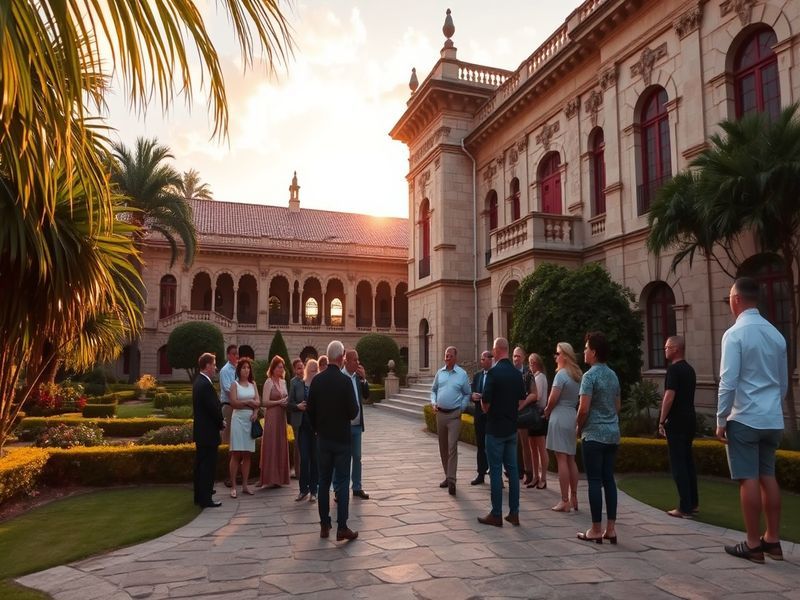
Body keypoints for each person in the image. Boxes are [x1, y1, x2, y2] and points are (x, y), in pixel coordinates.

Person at [717, 277, 787, 563]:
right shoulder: (776, 335)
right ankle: (773, 539)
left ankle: (753, 543)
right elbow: (782, 382)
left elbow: (728, 381)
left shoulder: (734, 334)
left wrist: (721, 418)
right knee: (768, 475)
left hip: (745, 416)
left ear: (736, 299)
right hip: (772, 417)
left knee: (748, 478)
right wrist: (773, 406)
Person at [307, 340, 359, 541]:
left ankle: (324, 524)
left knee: (323, 481)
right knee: (343, 482)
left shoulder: (317, 381)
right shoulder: (345, 382)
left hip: (323, 440)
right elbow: (353, 412)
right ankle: (342, 527)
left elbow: (310, 411)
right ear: (341, 357)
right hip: (342, 440)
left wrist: (317, 430)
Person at [576, 331, 621, 544]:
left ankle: (595, 529)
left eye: (586, 348)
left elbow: (583, 408)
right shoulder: (613, 375)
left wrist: (578, 426)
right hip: (612, 434)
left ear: (593, 352)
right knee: (608, 479)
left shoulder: (589, 376)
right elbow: (617, 406)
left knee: (594, 480)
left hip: (594, 434)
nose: (584, 352)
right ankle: (610, 528)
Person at [478, 337, 525, 527]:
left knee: (496, 471)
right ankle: (514, 512)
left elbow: (485, 403)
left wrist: (488, 409)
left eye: (493, 349)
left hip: (495, 428)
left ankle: (496, 513)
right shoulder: (516, 374)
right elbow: (521, 400)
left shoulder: (493, 373)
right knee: (512, 471)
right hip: (511, 428)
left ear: (497, 350)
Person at [658, 335, 699, 519]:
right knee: (687, 461)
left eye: (667, 347)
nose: (665, 350)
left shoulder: (674, 370)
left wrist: (661, 420)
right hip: (690, 418)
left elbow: (669, 396)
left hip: (677, 420)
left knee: (678, 463)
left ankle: (685, 507)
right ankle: (693, 503)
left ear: (676, 349)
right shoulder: (690, 370)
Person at [544, 342, 582, 512]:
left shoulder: (561, 375)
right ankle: (574, 497)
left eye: (558, 353)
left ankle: (564, 500)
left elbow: (553, 399)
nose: (556, 356)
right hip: (572, 416)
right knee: (571, 458)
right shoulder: (577, 375)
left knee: (561, 459)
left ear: (565, 356)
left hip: (559, 415)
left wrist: (547, 410)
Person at [430, 346, 471, 496]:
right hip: (440, 414)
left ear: (455, 357)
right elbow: (433, 390)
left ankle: (452, 480)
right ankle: (447, 476)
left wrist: (461, 408)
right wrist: (433, 402)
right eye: (446, 355)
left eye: (450, 356)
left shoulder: (462, 374)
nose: (447, 358)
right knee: (443, 447)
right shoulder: (439, 373)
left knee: (452, 446)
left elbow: (467, 393)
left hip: (454, 415)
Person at [192, 352, 224, 508]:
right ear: (207, 366)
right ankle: (206, 499)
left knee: (201, 465)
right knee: (207, 467)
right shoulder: (205, 385)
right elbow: (213, 409)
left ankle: (200, 495)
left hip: (201, 433)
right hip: (208, 433)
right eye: (214, 364)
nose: (215, 368)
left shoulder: (198, 381)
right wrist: (221, 422)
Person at [227, 357, 260, 498]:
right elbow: (234, 403)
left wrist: (255, 412)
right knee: (236, 453)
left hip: (250, 419)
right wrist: (248, 402)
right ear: (239, 370)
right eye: (243, 368)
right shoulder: (234, 385)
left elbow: (258, 402)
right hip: (238, 419)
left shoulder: (253, 384)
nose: (246, 370)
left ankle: (245, 485)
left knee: (247, 454)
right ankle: (233, 486)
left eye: (248, 368)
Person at [340, 349, 371, 499]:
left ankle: (357, 487)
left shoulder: (358, 377)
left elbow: (366, 395)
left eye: (358, 359)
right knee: (342, 458)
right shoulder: (340, 377)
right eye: (355, 360)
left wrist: (364, 379)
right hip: (344, 426)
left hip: (357, 425)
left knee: (357, 457)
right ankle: (340, 489)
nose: (358, 362)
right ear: (346, 361)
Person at [258, 356, 290, 488]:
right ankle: (270, 478)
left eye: (282, 367)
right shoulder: (268, 382)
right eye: (279, 367)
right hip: (272, 416)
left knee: (280, 443)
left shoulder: (283, 382)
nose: (281, 369)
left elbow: (286, 397)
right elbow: (264, 402)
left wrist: (286, 402)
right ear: (273, 368)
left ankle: (280, 478)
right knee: (271, 444)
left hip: (282, 416)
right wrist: (278, 402)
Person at [295, 359, 320, 502]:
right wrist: (297, 406)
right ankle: (303, 489)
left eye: (316, 370)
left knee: (315, 459)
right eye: (312, 370)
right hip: (303, 427)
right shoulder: (299, 384)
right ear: (307, 371)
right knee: (304, 459)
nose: (314, 372)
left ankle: (314, 490)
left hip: (316, 428)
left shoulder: (320, 385)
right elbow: (290, 403)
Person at [526, 353, 549, 489]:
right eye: (529, 363)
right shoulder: (534, 377)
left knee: (541, 448)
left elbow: (537, 396)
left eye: (532, 362)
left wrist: (527, 397)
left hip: (538, 415)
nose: (530, 365)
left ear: (536, 363)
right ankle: (535, 476)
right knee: (533, 448)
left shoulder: (540, 378)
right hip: (532, 415)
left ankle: (543, 478)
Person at [470, 350, 493, 485]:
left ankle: (496, 476)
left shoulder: (495, 375)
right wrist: (473, 396)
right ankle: (481, 473)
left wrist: (485, 397)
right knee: (480, 445)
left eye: (484, 359)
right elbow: (471, 391)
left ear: (490, 360)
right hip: (479, 415)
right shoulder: (477, 375)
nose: (481, 361)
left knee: (492, 446)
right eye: (481, 359)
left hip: (492, 415)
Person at [513, 346, 533, 484]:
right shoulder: (510, 372)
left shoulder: (528, 373)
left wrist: (523, 404)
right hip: (512, 412)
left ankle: (528, 471)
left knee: (525, 443)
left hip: (524, 413)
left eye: (518, 356)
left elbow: (533, 393)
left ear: (524, 358)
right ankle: (516, 471)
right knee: (513, 443)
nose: (515, 359)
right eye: (514, 356)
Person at [287, 358, 305, 483]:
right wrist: (297, 406)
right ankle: (298, 472)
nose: (301, 370)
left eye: (302, 367)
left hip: (307, 417)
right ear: (294, 370)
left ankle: (307, 469)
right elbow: (289, 403)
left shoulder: (307, 380)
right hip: (297, 417)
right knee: (297, 446)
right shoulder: (293, 382)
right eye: (298, 368)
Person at [219, 344, 238, 447]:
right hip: (228, 405)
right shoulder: (225, 370)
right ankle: (225, 454)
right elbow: (227, 389)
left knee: (236, 434)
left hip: (238, 405)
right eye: (233, 354)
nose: (236, 356)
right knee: (227, 434)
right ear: (228, 355)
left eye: (237, 353)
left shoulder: (238, 369)